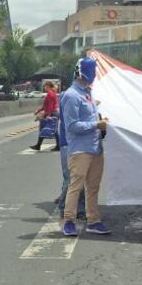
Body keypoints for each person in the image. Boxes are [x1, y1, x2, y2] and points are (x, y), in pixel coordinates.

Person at [60, 57, 109, 238]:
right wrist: (97, 125)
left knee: (93, 187)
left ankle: (94, 220)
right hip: (80, 149)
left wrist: (98, 121)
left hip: (95, 147)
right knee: (76, 186)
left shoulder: (89, 93)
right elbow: (71, 126)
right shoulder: (71, 95)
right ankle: (69, 221)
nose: (92, 78)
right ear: (81, 74)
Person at [56, 82, 86, 221]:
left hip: (78, 143)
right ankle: (64, 207)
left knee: (79, 178)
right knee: (71, 178)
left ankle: (79, 209)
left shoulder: (82, 97)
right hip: (68, 143)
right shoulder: (67, 97)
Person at [29, 81, 59, 151]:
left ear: (48, 86)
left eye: (44, 86)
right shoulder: (52, 93)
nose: (44, 87)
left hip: (52, 113)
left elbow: (50, 106)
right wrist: (39, 110)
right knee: (52, 129)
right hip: (52, 113)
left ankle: (39, 145)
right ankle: (38, 145)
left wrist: (48, 115)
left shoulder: (50, 94)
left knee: (50, 129)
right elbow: (46, 105)